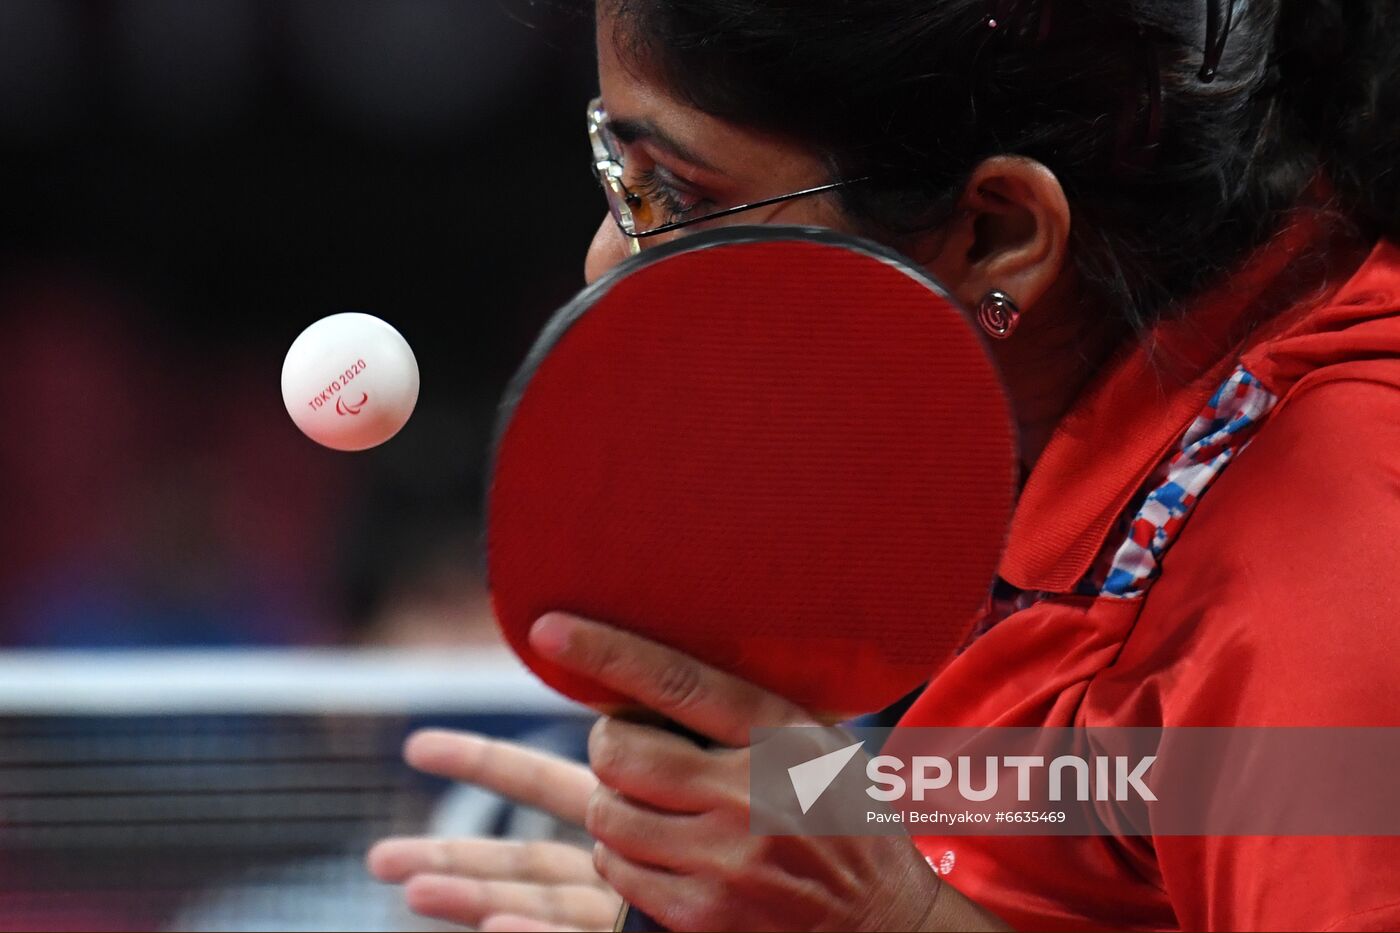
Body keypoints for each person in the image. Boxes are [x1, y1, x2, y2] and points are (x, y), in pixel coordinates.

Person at [367, 1, 1400, 929]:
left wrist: (886, 921)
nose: (605, 257)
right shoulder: (1021, 419)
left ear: (996, 237)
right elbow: (1063, 802)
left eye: (674, 192)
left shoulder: (1320, 589)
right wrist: (776, 846)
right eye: (617, 168)